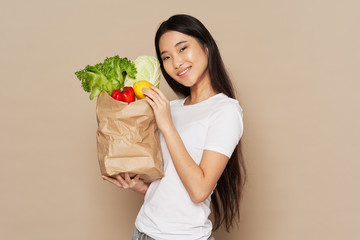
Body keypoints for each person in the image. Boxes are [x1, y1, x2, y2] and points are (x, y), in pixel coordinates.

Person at [102, 14, 246, 240]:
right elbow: (172, 184)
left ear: (206, 47)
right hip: (142, 231)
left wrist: (167, 125)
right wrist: (142, 187)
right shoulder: (172, 107)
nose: (176, 63)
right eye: (166, 57)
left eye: (182, 49)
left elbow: (199, 191)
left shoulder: (226, 111)